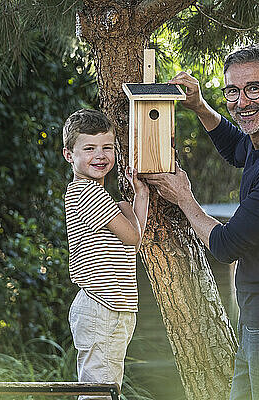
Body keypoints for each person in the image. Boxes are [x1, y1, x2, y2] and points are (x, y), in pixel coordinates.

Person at [146, 43, 259, 400]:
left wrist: (183, 196)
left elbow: (226, 246)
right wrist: (199, 106)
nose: (242, 102)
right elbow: (234, 148)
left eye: (254, 88)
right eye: (233, 91)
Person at [62, 109, 149, 399]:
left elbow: (132, 244)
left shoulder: (95, 195)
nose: (100, 155)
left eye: (107, 147)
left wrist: (140, 197)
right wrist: (128, 206)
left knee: (105, 390)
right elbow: (133, 235)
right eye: (89, 148)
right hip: (101, 306)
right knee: (98, 393)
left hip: (114, 307)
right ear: (69, 155)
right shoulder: (88, 193)